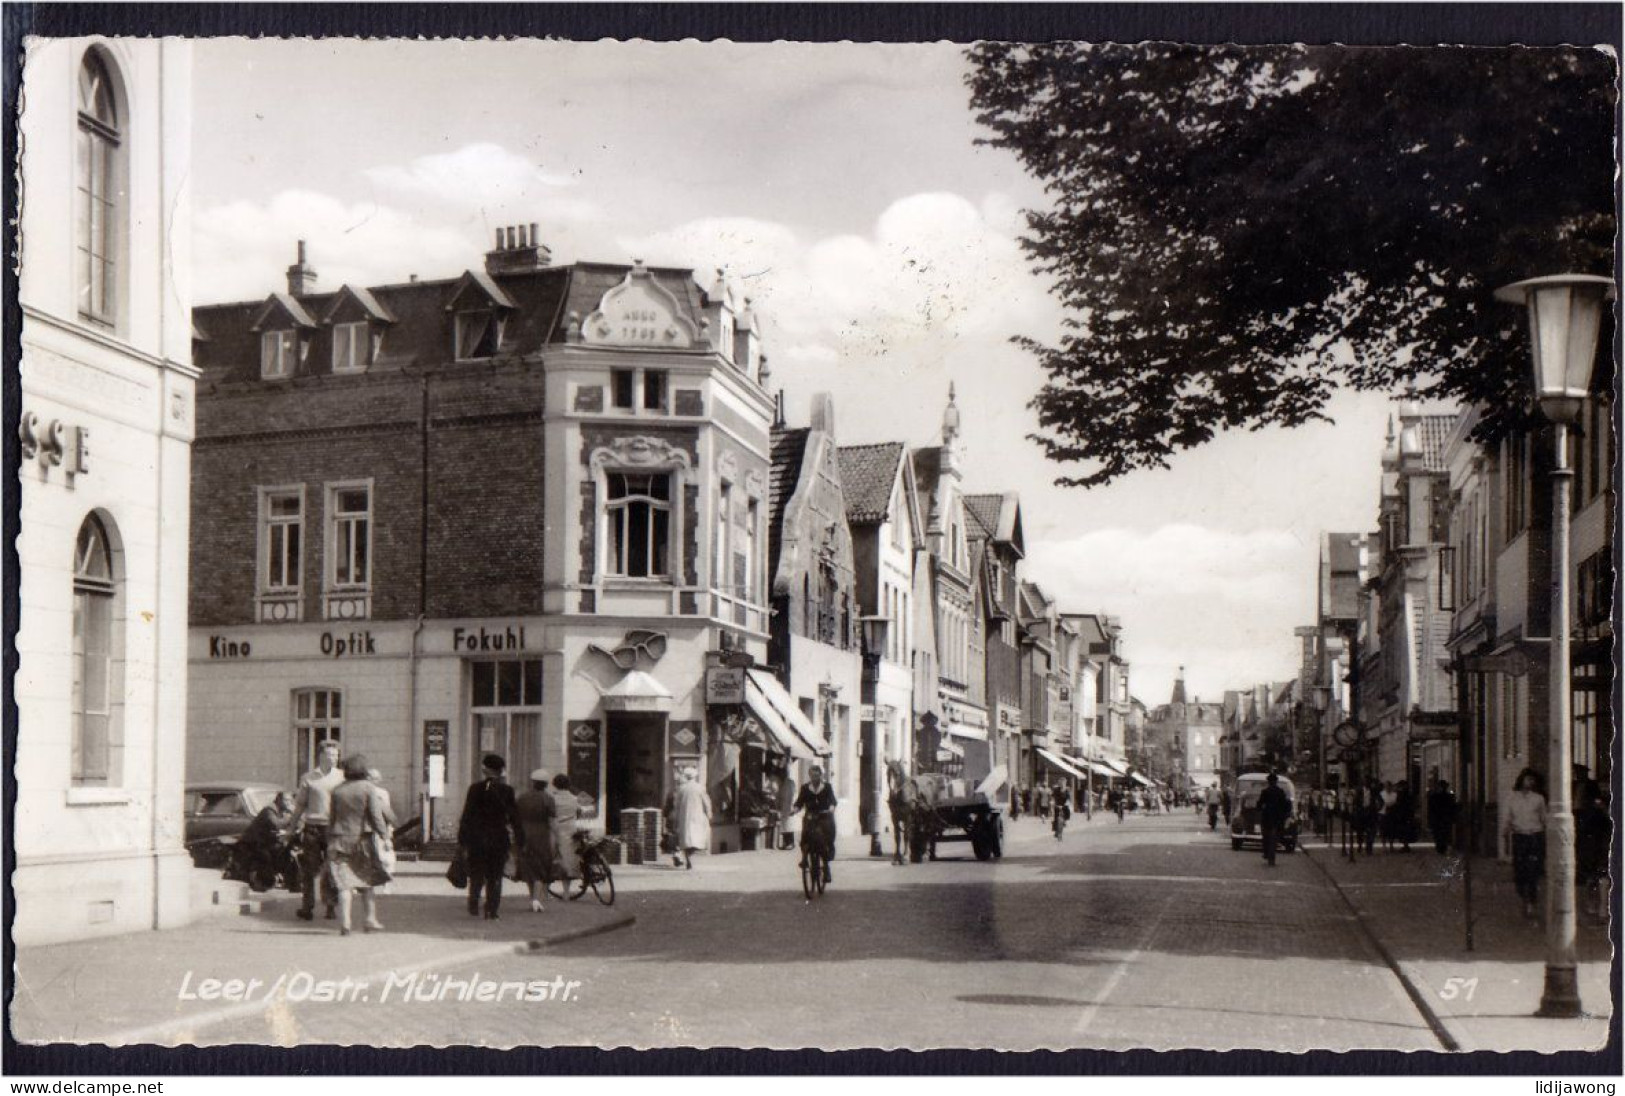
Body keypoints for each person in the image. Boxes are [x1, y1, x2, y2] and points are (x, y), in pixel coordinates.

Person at [325, 754, 394, 935]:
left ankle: (345, 923)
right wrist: (385, 836)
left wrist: (328, 840)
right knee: (366, 881)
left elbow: (331, 819)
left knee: (344, 884)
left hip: (338, 840)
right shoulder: (368, 788)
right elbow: (376, 816)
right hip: (361, 841)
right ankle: (370, 918)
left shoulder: (337, 790)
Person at [458, 753, 523, 920]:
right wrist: (521, 839)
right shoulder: (507, 791)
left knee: (477, 872)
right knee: (495, 874)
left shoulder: (474, 789)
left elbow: (467, 816)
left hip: (477, 838)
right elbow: (514, 817)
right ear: (501, 771)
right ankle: (491, 910)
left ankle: (473, 904)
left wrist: (462, 840)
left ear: (484, 769)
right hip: (498, 838)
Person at [288, 739, 344, 922]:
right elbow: (300, 806)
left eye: (336, 755)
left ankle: (330, 906)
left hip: (332, 829)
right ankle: (307, 907)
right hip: (312, 827)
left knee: (331, 868)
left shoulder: (342, 777)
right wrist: (291, 828)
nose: (333, 759)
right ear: (320, 756)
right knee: (309, 870)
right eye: (329, 755)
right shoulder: (308, 778)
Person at [1501, 768, 1548, 919]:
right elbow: (1507, 817)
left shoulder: (1539, 799)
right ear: (1521, 780)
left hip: (1535, 836)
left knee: (1533, 870)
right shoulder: (1512, 798)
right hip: (1519, 836)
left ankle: (1532, 902)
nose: (1530, 782)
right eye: (1528, 779)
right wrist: (1505, 833)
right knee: (1520, 870)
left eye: (1533, 780)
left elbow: (1544, 819)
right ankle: (1524, 896)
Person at [515, 770, 558, 913]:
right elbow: (552, 821)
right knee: (541, 867)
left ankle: (532, 898)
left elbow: (516, 817)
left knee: (528, 867)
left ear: (532, 782)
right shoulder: (548, 799)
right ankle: (536, 900)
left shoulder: (522, 797)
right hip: (541, 836)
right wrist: (556, 838)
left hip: (524, 835)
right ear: (546, 784)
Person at [794, 763, 838, 883]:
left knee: (827, 835)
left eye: (817, 776)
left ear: (821, 776)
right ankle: (804, 859)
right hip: (811, 816)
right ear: (810, 776)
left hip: (824, 816)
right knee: (805, 835)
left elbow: (833, 800)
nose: (815, 779)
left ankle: (826, 866)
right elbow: (799, 802)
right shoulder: (805, 788)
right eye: (812, 776)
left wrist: (831, 808)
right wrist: (795, 809)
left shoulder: (827, 787)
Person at [1575, 780, 1612, 924]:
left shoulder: (1583, 810)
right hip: (1601, 844)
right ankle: (1602, 907)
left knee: (1591, 876)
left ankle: (1593, 905)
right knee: (1601, 875)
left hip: (1589, 846)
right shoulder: (1600, 805)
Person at [671, 766, 712, 869]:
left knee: (686, 840)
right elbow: (706, 802)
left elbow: (677, 805)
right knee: (697, 840)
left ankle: (685, 857)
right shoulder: (700, 788)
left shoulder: (682, 789)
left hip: (684, 817)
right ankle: (688, 857)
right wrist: (709, 813)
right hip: (697, 817)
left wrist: (676, 818)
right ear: (694, 777)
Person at [549, 773, 583, 883]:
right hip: (571, 829)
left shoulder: (552, 798)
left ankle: (546, 888)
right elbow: (579, 812)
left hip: (556, 830)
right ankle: (566, 892)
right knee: (569, 858)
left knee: (553, 857)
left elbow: (549, 814)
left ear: (554, 785)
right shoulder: (574, 798)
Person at [1257, 771, 1292, 867]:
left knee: (1265, 836)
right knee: (1276, 836)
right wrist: (1285, 815)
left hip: (1267, 818)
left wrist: (1260, 808)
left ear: (1268, 782)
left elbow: (1259, 804)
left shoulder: (1265, 792)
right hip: (1277, 818)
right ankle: (1272, 853)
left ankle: (1266, 852)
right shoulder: (1280, 792)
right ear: (1276, 781)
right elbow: (1285, 805)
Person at [1426, 779, 1458, 855]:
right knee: (1444, 834)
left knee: (1439, 834)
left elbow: (1430, 809)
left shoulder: (1434, 796)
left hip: (1438, 819)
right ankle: (1442, 847)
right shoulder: (1449, 797)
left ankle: (1440, 848)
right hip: (1444, 818)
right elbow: (1453, 808)